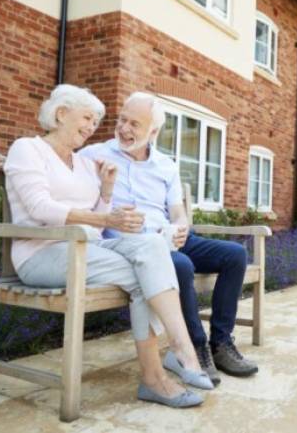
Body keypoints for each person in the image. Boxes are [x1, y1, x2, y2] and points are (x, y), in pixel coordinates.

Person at [3, 84, 212, 409]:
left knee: (152, 247)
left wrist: (107, 191)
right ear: (61, 114)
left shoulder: (85, 163)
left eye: (95, 122)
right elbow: (39, 208)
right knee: (146, 273)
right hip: (41, 254)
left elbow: (97, 221)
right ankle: (169, 366)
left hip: (86, 251)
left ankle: (178, 352)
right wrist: (107, 220)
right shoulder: (27, 149)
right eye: (87, 118)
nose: (92, 128)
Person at [80, 92, 258, 386]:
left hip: (168, 237)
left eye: (134, 124)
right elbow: (55, 161)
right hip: (134, 246)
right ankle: (195, 347)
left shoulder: (165, 165)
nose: (124, 129)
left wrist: (181, 226)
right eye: (122, 120)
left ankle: (221, 344)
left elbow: (177, 211)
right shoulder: (93, 155)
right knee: (182, 265)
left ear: (153, 131)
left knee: (234, 254)